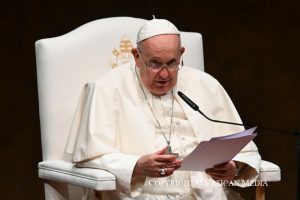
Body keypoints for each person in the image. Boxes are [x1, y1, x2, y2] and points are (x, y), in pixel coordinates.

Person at [66, 18, 261, 200]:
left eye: (172, 63)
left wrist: (234, 168)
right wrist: (136, 166)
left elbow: (243, 151)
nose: (165, 74)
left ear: (181, 54)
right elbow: (90, 158)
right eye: (155, 64)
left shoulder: (206, 85)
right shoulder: (106, 88)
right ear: (136, 56)